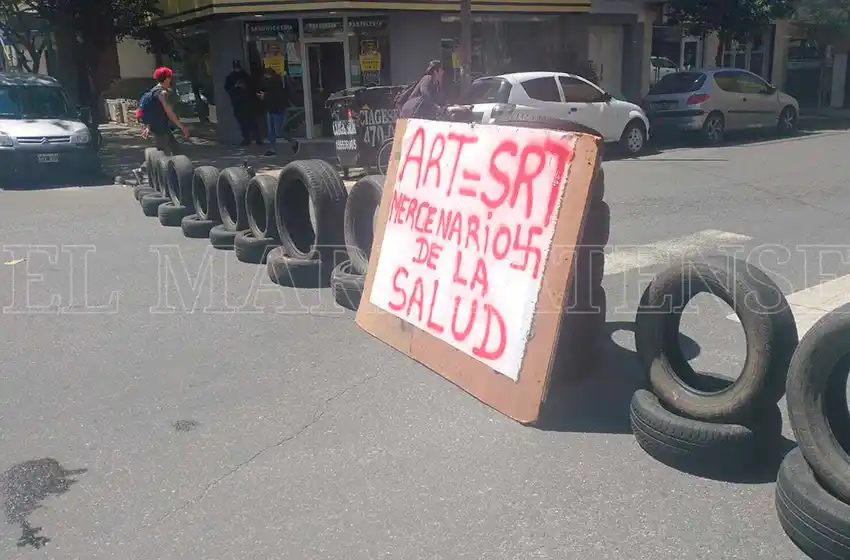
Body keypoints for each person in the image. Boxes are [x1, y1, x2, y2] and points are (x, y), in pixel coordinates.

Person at [139, 66, 189, 155]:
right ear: (166, 79)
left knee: (174, 149)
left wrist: (148, 126)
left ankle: (147, 167)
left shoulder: (153, 91)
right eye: (169, 77)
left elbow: (151, 110)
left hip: (159, 127)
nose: (170, 80)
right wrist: (181, 126)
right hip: (161, 128)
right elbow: (169, 111)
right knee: (163, 155)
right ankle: (144, 168)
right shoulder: (162, 93)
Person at [257, 68, 299, 157]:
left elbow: (277, 96)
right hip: (271, 109)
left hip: (277, 109)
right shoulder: (269, 83)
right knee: (271, 130)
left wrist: (265, 96)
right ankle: (272, 148)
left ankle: (293, 142)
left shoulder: (277, 83)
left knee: (278, 131)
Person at [224, 60, 261, 146]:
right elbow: (227, 89)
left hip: (247, 102)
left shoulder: (245, 76)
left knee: (252, 121)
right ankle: (246, 138)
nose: (237, 69)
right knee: (242, 122)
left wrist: (245, 87)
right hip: (238, 103)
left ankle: (256, 138)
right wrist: (235, 87)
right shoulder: (230, 77)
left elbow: (252, 86)